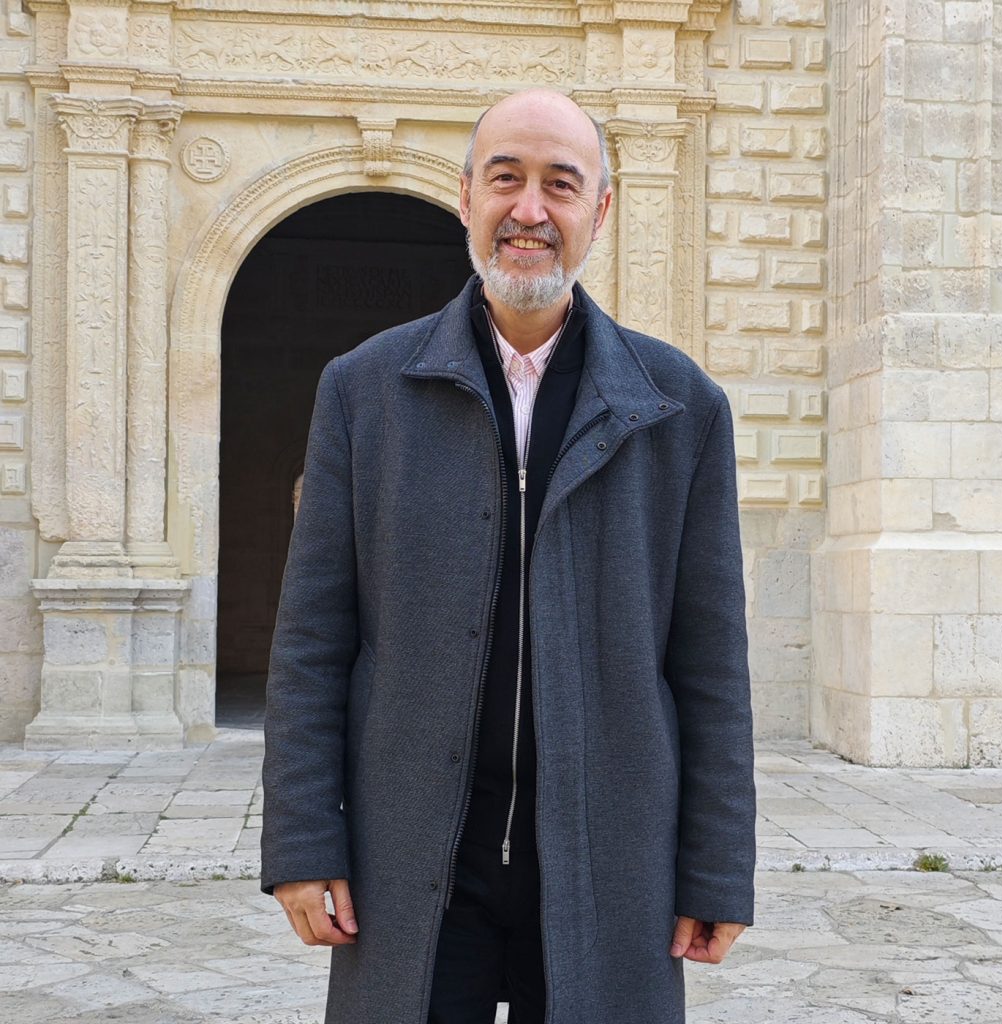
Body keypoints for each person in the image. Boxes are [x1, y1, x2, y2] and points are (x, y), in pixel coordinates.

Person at [260, 89, 756, 1024]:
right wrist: (301, 842)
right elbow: (313, 644)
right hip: (410, 863)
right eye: (505, 179)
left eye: (560, 184)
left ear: (600, 209)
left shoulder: (681, 406)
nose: (530, 209)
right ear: (466, 198)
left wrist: (718, 867)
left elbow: (711, 666)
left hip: (610, 864)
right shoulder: (364, 391)